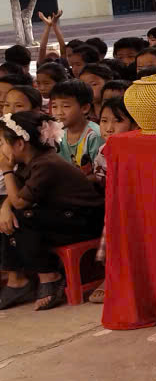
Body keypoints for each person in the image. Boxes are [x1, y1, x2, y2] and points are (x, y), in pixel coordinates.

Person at [0, 111, 105, 311]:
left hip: (84, 221)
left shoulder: (46, 164)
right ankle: (17, 280)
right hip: (59, 216)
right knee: (10, 218)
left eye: (2, 143)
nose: (0, 149)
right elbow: (15, 197)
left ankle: (50, 276)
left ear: (20, 144)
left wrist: (5, 170)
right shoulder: (27, 163)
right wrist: (4, 208)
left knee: (22, 218)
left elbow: (19, 202)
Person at [87, 96, 138, 304]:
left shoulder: (138, 149)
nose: (109, 127)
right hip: (112, 202)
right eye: (104, 121)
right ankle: (111, 275)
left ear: (134, 125)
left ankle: (112, 277)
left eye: (117, 121)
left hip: (134, 202)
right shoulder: (103, 150)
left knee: (116, 218)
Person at [49, 80, 103, 174]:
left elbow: (99, 175)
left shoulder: (94, 135)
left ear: (84, 108)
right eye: (54, 106)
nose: (59, 112)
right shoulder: (57, 132)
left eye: (66, 106)